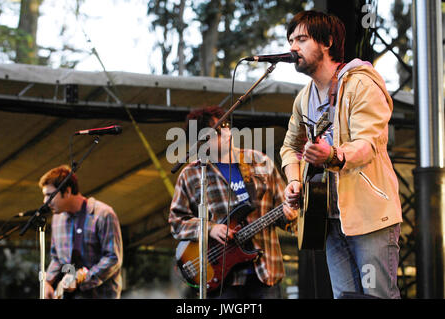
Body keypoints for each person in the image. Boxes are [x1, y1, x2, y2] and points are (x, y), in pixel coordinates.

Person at [280, 10, 402, 299]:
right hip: (326, 217)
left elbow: (368, 143)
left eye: (302, 39)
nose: (293, 47)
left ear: (327, 42)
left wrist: (332, 155)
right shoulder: (304, 97)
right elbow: (290, 147)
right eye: (290, 40)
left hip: (370, 217)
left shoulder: (361, 83)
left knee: (378, 296)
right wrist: (294, 180)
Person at [169, 106, 297, 299]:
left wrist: (291, 214)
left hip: (264, 272)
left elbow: (288, 212)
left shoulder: (259, 161)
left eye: (226, 126)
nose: (227, 132)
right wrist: (210, 229)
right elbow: (176, 222)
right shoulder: (192, 174)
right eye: (218, 130)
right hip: (220, 278)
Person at [39, 165, 123, 299]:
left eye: (49, 195)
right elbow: (56, 258)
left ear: (67, 192)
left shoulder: (103, 214)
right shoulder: (57, 219)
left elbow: (113, 258)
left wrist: (82, 280)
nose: (45, 202)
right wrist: (48, 282)